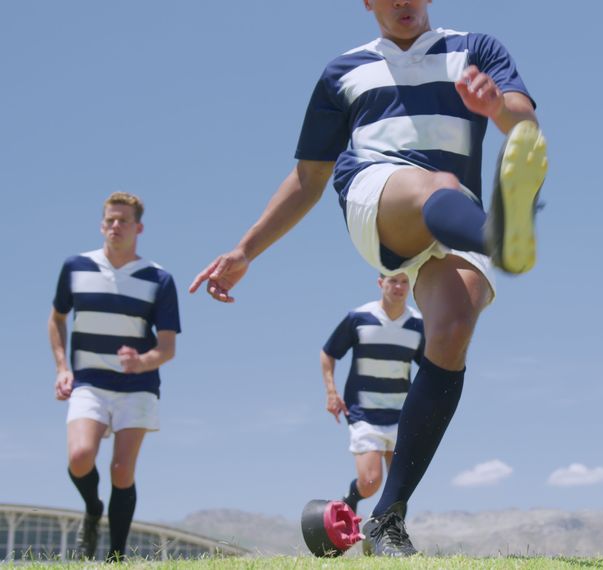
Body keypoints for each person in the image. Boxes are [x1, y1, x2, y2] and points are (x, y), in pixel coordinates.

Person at [189, 0, 547, 557]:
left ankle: (386, 520)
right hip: (378, 196)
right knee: (437, 186)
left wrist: (496, 105)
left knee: (451, 328)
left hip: (461, 216)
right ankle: (503, 236)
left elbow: (524, 124)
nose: (403, 3)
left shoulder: (476, 49)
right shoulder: (343, 71)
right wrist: (245, 250)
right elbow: (309, 178)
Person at [48, 192, 180, 562]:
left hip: (136, 385)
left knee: (122, 470)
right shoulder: (76, 267)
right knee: (79, 456)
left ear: (138, 227)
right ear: (101, 224)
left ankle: (115, 558)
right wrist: (62, 368)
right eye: (110, 220)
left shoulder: (159, 278)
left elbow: (167, 348)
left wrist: (142, 361)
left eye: (123, 220)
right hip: (88, 380)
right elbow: (56, 319)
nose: (115, 226)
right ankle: (92, 509)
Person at [321, 273, 423, 515]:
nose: (398, 287)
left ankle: (389, 537)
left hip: (401, 415)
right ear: (381, 283)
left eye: (404, 281)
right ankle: (350, 499)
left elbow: (429, 368)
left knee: (398, 488)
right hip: (364, 413)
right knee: (370, 482)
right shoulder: (359, 318)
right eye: (392, 281)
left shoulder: (419, 324)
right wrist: (331, 392)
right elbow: (328, 353)